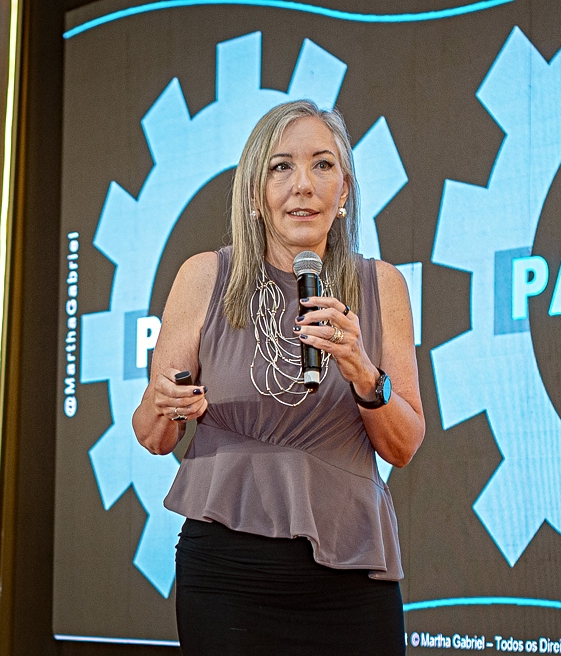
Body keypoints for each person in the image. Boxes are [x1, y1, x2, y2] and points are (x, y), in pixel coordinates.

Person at [132, 99, 425, 655]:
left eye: (323, 165)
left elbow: (404, 445)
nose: (303, 186)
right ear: (254, 193)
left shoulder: (382, 285)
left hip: (350, 572)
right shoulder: (204, 277)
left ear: (344, 191)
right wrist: (164, 401)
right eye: (281, 166)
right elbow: (153, 434)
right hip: (228, 575)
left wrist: (364, 372)